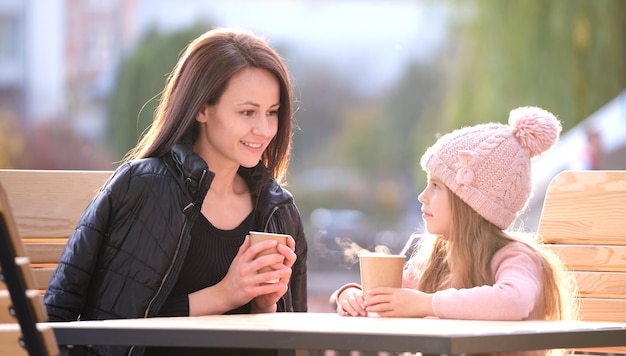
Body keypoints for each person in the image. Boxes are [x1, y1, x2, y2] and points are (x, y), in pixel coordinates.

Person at [44, 28, 307, 356]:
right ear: (202, 109)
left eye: (272, 112)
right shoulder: (140, 189)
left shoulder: (278, 211)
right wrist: (224, 294)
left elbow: (295, 341)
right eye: (247, 112)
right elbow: (60, 320)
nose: (265, 129)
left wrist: (265, 307)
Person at [332, 106, 578, 355]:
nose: (422, 196)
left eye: (436, 186)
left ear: (469, 203)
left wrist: (426, 303)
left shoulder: (515, 257)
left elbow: (515, 301)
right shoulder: (438, 259)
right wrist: (352, 296)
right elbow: (396, 295)